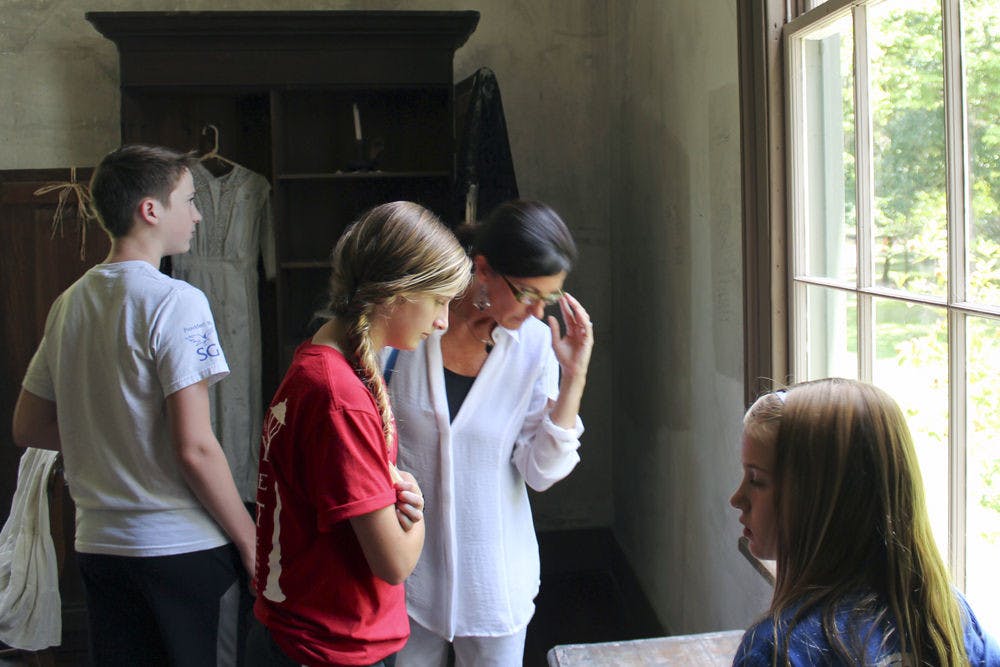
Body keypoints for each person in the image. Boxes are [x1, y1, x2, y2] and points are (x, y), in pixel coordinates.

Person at [12, 144, 256, 665]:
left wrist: (105, 434)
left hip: (98, 546)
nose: (195, 214)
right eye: (188, 201)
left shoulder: (69, 302)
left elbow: (28, 425)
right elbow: (194, 447)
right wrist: (252, 541)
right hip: (176, 548)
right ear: (151, 210)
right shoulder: (175, 300)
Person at [248, 201, 472, 667]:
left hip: (314, 632)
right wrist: (416, 513)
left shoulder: (320, 359)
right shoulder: (340, 396)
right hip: (330, 645)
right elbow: (394, 563)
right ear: (396, 294)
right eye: (439, 300)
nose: (443, 322)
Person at [388, 199, 595, 667]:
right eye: (527, 294)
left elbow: (540, 472)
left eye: (549, 298)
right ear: (483, 269)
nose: (539, 314)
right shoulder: (413, 330)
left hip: (495, 586)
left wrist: (573, 378)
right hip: (407, 578)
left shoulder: (536, 345)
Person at [730, 378, 1000, 666]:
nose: (737, 498)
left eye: (757, 480)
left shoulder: (777, 651)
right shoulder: (951, 619)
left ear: (820, 500)